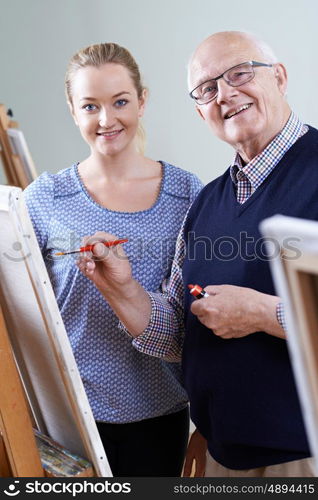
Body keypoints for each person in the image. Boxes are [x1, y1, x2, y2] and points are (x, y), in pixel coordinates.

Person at [77, 31, 318, 477]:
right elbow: (178, 334)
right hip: (218, 455)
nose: (225, 95)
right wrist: (122, 288)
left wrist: (266, 314)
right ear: (200, 111)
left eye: (240, 74)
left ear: (280, 77)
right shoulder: (206, 204)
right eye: (208, 89)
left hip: (299, 460)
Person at [24, 42, 203, 477]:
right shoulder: (44, 199)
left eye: (120, 101)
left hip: (161, 413)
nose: (106, 120)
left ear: (142, 101)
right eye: (90, 106)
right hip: (68, 417)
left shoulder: (187, 193)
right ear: (73, 110)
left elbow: (195, 305)